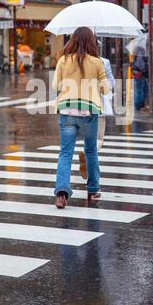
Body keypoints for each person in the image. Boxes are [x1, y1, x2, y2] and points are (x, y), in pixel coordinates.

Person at [52, 27, 109, 209]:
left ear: (73, 40)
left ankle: (61, 193)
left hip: (66, 111)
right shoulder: (97, 62)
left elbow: (56, 85)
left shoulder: (63, 60)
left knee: (65, 152)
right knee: (90, 151)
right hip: (88, 111)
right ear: (92, 42)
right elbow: (105, 89)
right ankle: (92, 190)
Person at [78, 40, 115, 179]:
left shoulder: (78, 61)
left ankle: (87, 160)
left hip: (82, 105)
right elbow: (111, 83)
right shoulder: (104, 62)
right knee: (98, 138)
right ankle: (87, 160)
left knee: (88, 137)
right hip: (98, 105)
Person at [132, 46, 148, 112]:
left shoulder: (136, 55)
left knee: (141, 90)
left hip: (137, 75)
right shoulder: (140, 56)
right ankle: (139, 106)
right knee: (140, 91)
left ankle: (140, 105)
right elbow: (141, 66)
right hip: (140, 75)